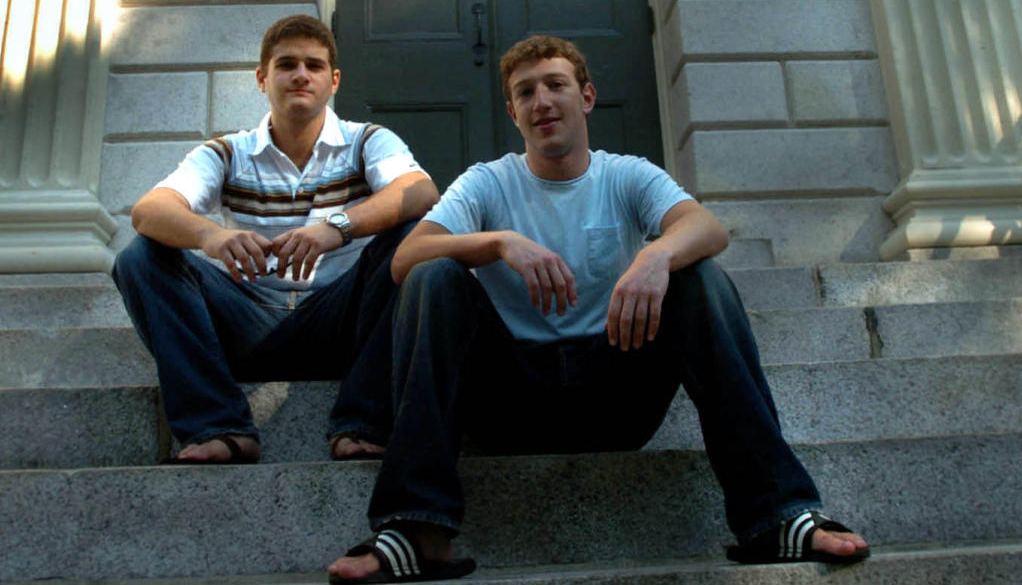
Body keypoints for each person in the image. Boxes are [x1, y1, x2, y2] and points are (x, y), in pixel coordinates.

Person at [327, 35, 869, 582]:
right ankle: (419, 531)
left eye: (556, 85)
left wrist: (656, 255)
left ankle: (776, 515)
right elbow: (407, 257)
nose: (542, 101)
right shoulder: (488, 183)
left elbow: (707, 228)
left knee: (699, 276)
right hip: (509, 402)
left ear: (586, 97)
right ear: (513, 112)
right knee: (434, 275)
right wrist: (497, 243)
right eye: (525, 92)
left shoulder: (626, 175)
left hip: (616, 395)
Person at [113, 14, 437, 464]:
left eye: (314, 65)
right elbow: (149, 210)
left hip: (339, 322)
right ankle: (218, 426)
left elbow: (420, 191)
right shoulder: (228, 152)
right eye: (287, 65)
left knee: (408, 240)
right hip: (245, 321)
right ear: (263, 79)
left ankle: (363, 422)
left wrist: (335, 228)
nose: (301, 75)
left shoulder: (366, 141)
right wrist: (211, 235)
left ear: (334, 80)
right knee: (141, 256)